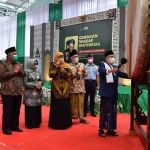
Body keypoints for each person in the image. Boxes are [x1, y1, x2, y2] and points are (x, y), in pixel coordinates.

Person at [98, 50, 128, 137]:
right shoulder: (102, 64)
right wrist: (111, 71)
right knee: (105, 111)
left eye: (113, 57)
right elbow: (102, 71)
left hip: (113, 92)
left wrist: (133, 74)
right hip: (105, 92)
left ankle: (110, 129)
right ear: (106, 58)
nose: (112, 58)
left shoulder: (115, 67)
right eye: (110, 57)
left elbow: (123, 74)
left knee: (112, 111)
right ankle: (101, 129)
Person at [0, 47, 25, 135]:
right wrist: (15, 71)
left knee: (16, 109)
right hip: (8, 91)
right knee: (8, 110)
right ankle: (6, 127)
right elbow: (3, 75)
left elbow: (23, 74)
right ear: (9, 55)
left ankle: (15, 125)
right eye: (14, 54)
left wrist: (21, 71)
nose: (16, 55)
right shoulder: (3, 63)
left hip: (18, 91)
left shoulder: (17, 63)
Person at [48, 52, 73, 129]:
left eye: (62, 57)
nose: (61, 58)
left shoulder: (67, 66)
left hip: (65, 89)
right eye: (59, 57)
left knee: (65, 105)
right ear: (56, 58)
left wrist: (65, 72)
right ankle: (55, 124)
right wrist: (57, 66)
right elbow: (50, 75)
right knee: (57, 106)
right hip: (56, 89)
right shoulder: (53, 65)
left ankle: (66, 124)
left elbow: (71, 76)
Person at [69, 49, 89, 124]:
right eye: (74, 57)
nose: (76, 58)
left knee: (81, 103)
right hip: (72, 88)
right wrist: (74, 76)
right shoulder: (69, 66)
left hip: (81, 87)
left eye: (77, 56)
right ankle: (70, 118)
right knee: (72, 103)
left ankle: (81, 117)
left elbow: (86, 74)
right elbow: (67, 76)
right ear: (71, 58)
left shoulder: (82, 65)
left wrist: (82, 74)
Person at [23, 59, 44, 129]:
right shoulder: (26, 71)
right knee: (30, 108)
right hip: (29, 93)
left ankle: (37, 123)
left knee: (37, 107)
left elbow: (42, 80)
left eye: (36, 64)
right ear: (30, 64)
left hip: (38, 92)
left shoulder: (39, 71)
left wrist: (40, 84)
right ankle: (30, 123)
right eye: (34, 64)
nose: (36, 65)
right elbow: (25, 83)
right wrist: (34, 85)